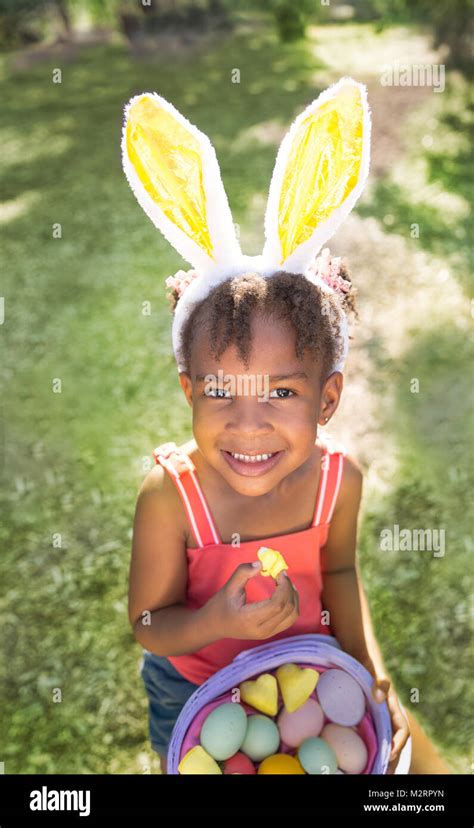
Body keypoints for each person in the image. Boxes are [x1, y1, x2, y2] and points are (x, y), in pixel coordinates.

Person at [123, 79, 450, 775]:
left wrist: (365, 671)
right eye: (221, 392)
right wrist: (216, 624)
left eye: (279, 391)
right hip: (192, 689)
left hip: (309, 674)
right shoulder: (168, 495)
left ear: (326, 401)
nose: (249, 425)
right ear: (188, 391)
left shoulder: (339, 481)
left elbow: (337, 570)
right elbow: (148, 625)